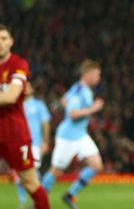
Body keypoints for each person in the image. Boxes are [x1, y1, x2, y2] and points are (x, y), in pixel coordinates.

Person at [42, 59, 105, 209]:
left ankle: (70, 195)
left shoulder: (79, 89)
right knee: (56, 170)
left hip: (81, 135)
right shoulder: (80, 90)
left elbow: (64, 100)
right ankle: (39, 202)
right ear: (88, 74)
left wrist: (71, 104)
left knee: (96, 165)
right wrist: (93, 109)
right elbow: (72, 114)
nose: (98, 78)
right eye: (97, 75)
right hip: (68, 137)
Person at [0, 24, 51, 209]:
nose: (0, 43)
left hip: (14, 134)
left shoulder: (18, 64)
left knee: (30, 183)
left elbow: (11, 96)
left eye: (4, 38)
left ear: (11, 41)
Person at [15, 83, 52, 207]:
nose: (26, 88)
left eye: (28, 86)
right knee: (21, 173)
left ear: (32, 89)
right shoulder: (16, 105)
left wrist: (45, 141)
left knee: (32, 172)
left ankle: (36, 200)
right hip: (19, 144)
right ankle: (22, 199)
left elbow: (45, 123)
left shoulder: (39, 105)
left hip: (35, 144)